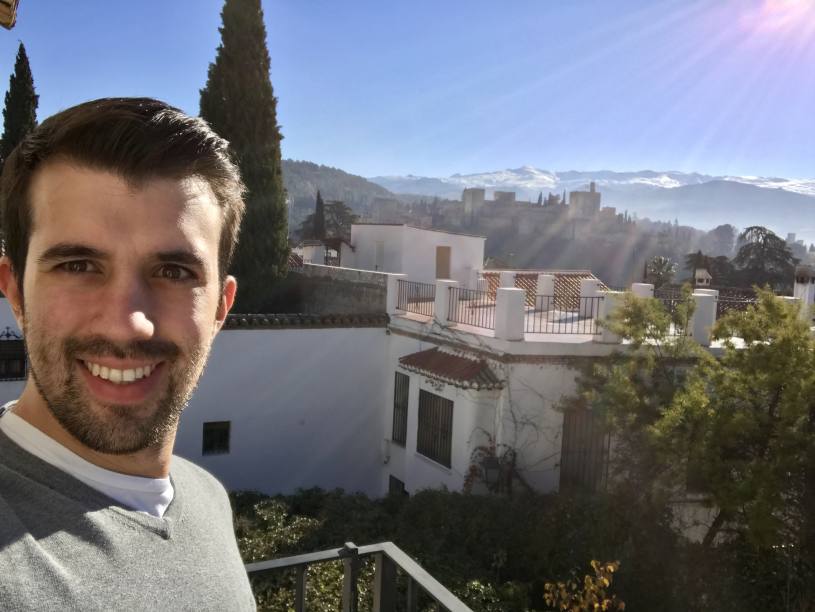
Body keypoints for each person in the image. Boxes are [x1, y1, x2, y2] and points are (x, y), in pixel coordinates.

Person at [0, 98, 256, 610]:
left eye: (174, 272)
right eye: (78, 265)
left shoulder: (206, 497)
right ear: (15, 293)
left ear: (220, 308)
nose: (129, 323)